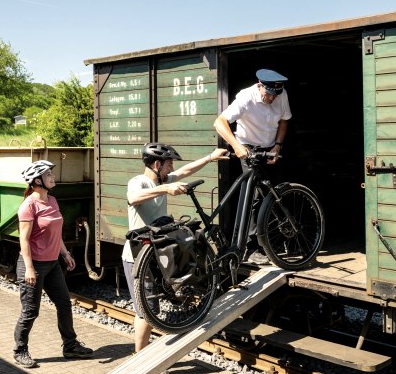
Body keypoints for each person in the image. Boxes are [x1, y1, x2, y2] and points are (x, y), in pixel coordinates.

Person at [122, 142, 229, 352]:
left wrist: (210, 157)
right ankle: (139, 358)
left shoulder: (163, 178)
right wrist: (166, 188)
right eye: (168, 164)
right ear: (156, 164)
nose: (171, 169)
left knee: (151, 307)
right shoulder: (139, 182)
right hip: (136, 256)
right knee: (146, 311)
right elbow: (133, 198)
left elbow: (185, 171)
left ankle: (142, 354)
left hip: (157, 253)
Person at [13, 160, 94, 368]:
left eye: (51, 174)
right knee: (30, 311)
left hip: (52, 264)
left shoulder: (53, 201)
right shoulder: (28, 206)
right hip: (34, 265)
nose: (52, 177)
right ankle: (20, 350)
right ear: (37, 181)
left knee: (64, 304)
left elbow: (55, 234)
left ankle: (70, 345)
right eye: (48, 174)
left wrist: (65, 253)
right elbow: (24, 240)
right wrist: (29, 268)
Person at [213, 68, 292, 265]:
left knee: (275, 192)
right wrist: (237, 146)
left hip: (270, 146)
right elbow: (219, 122)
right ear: (260, 86)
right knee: (255, 195)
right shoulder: (246, 98)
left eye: (276, 94)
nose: (272, 98)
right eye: (269, 95)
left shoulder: (280, 94)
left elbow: (284, 120)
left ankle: (276, 242)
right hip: (248, 147)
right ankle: (250, 248)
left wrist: (278, 145)